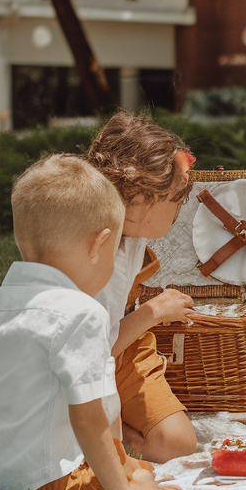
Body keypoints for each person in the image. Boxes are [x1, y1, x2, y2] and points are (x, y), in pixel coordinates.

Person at [0, 154, 184, 490]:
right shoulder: (82, 314)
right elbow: (91, 419)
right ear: (98, 244)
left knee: (138, 467)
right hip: (41, 482)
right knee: (146, 475)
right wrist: (122, 488)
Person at [87, 113, 198, 463]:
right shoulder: (97, 260)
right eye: (175, 198)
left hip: (121, 344)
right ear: (137, 197)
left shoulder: (131, 231)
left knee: (177, 442)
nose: (180, 209)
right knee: (169, 445)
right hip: (86, 360)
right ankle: (94, 444)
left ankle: (104, 439)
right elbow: (90, 354)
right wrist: (154, 312)